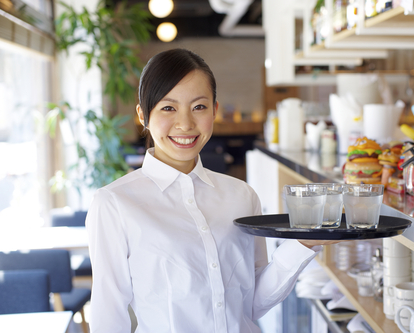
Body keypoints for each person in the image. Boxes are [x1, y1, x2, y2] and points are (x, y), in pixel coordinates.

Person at [86, 48, 337, 333]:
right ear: (143, 114)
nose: (185, 124)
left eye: (199, 107)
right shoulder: (114, 203)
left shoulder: (242, 196)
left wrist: (304, 243)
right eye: (168, 108)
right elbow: (109, 317)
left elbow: (252, 304)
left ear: (215, 110)